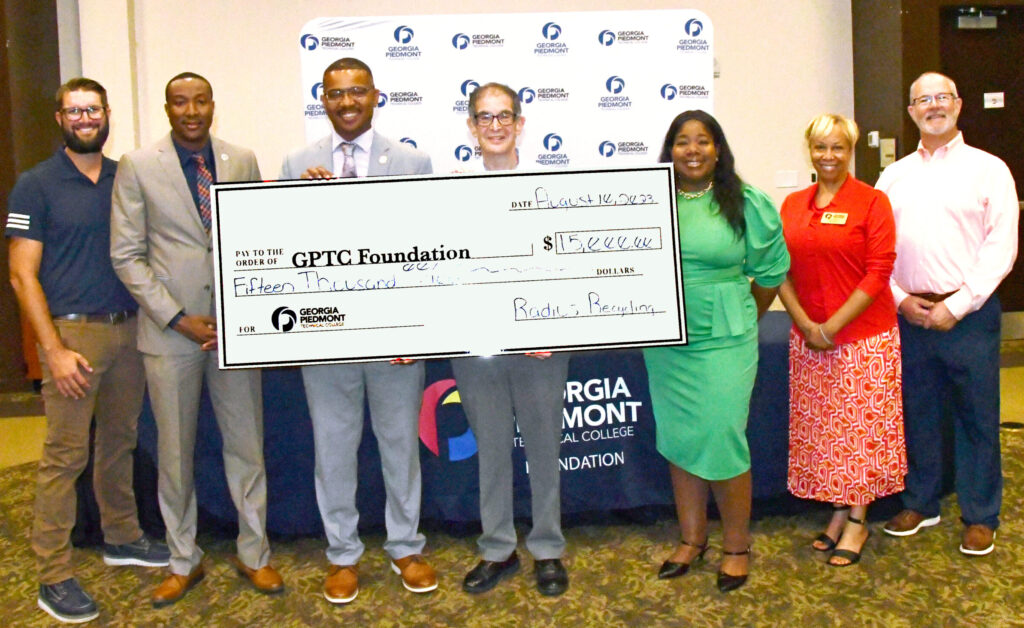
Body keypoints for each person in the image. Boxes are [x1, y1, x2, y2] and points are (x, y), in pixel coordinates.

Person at [110, 72, 283, 606]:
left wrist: (243, 314)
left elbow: (259, 240)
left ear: (213, 104)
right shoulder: (139, 166)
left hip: (235, 335)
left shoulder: (241, 160)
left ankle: (254, 554)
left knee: (246, 447)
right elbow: (126, 255)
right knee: (175, 455)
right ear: (167, 108)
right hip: (172, 336)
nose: (191, 110)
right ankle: (183, 559)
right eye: (180, 102)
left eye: (200, 100)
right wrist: (178, 317)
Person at [6, 77, 169, 624]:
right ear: (59, 118)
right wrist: (50, 348)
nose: (84, 119)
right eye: (74, 111)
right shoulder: (36, 184)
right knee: (63, 457)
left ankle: (121, 535)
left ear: (106, 115)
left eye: (92, 110)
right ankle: (52, 574)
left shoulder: (126, 178)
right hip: (72, 337)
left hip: (130, 332)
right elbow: (21, 274)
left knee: (119, 442)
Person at [279, 57, 436, 604]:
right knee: (334, 448)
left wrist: (416, 328)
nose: (347, 102)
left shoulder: (413, 161)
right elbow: (282, 252)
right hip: (326, 336)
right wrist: (299, 202)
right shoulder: (297, 163)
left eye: (357, 92)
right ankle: (342, 554)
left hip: (394, 339)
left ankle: (405, 546)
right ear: (322, 99)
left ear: (375, 96)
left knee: (399, 446)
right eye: (336, 93)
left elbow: (427, 250)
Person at [644, 110, 789, 592]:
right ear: (670, 150)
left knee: (723, 435)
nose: (692, 150)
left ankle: (736, 545)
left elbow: (770, 273)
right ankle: (691, 539)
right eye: (682, 142)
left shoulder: (745, 202)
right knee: (682, 435)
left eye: (702, 141)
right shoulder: (648, 200)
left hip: (726, 336)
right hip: (667, 340)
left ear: (718, 149)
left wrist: (742, 313)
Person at [875, 72, 1018, 555]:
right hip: (909, 313)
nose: (933, 106)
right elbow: (876, 249)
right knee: (918, 413)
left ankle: (980, 514)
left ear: (957, 105)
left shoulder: (990, 169)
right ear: (911, 112)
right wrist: (898, 299)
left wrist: (956, 305)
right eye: (922, 100)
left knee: (977, 416)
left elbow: (1001, 247)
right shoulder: (892, 176)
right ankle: (923, 500)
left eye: (941, 98)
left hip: (969, 314)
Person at [450, 83, 572, 597]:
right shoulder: (450, 193)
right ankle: (497, 548)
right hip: (477, 349)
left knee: (544, 447)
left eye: (504, 116)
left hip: (540, 346)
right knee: (492, 450)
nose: (495, 126)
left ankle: (547, 547)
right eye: (484, 117)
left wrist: (553, 324)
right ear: (472, 128)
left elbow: (571, 268)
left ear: (521, 123)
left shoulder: (554, 189)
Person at [778, 113, 906, 567]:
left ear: (850, 152)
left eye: (837, 147)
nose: (828, 156)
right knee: (825, 432)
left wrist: (831, 327)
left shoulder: (872, 202)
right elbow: (778, 270)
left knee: (860, 431)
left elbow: (879, 272)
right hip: (808, 338)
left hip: (862, 339)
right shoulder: (793, 204)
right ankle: (837, 509)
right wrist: (806, 324)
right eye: (820, 147)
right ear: (809, 150)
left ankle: (858, 519)